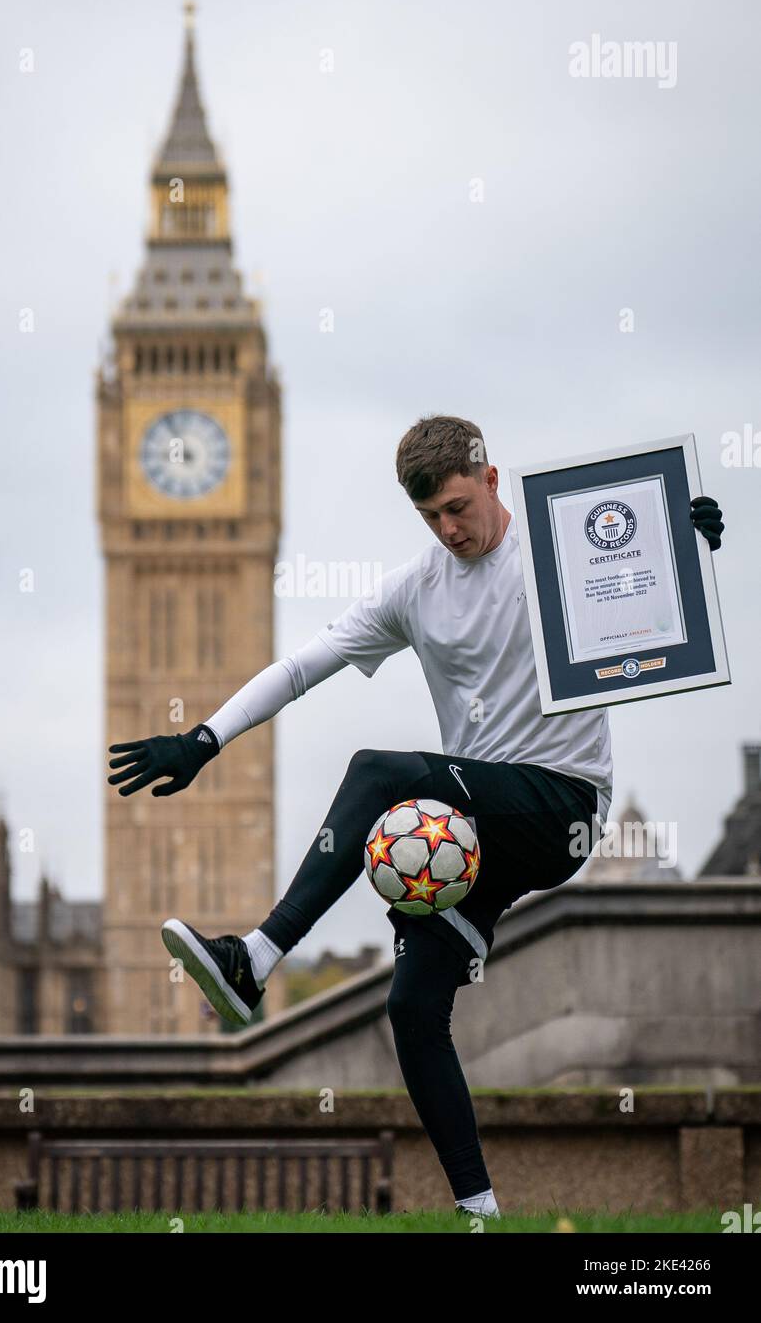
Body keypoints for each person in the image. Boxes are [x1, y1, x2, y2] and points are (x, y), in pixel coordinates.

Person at [107, 415, 724, 1220]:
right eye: (431, 517)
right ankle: (480, 1211)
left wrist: (691, 542)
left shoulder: (557, 547)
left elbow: (645, 580)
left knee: (378, 773)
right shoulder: (416, 589)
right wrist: (203, 738)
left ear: (493, 480)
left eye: (460, 508)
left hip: (561, 801)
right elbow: (303, 667)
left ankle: (256, 958)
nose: (450, 530)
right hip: (474, 833)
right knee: (412, 1009)